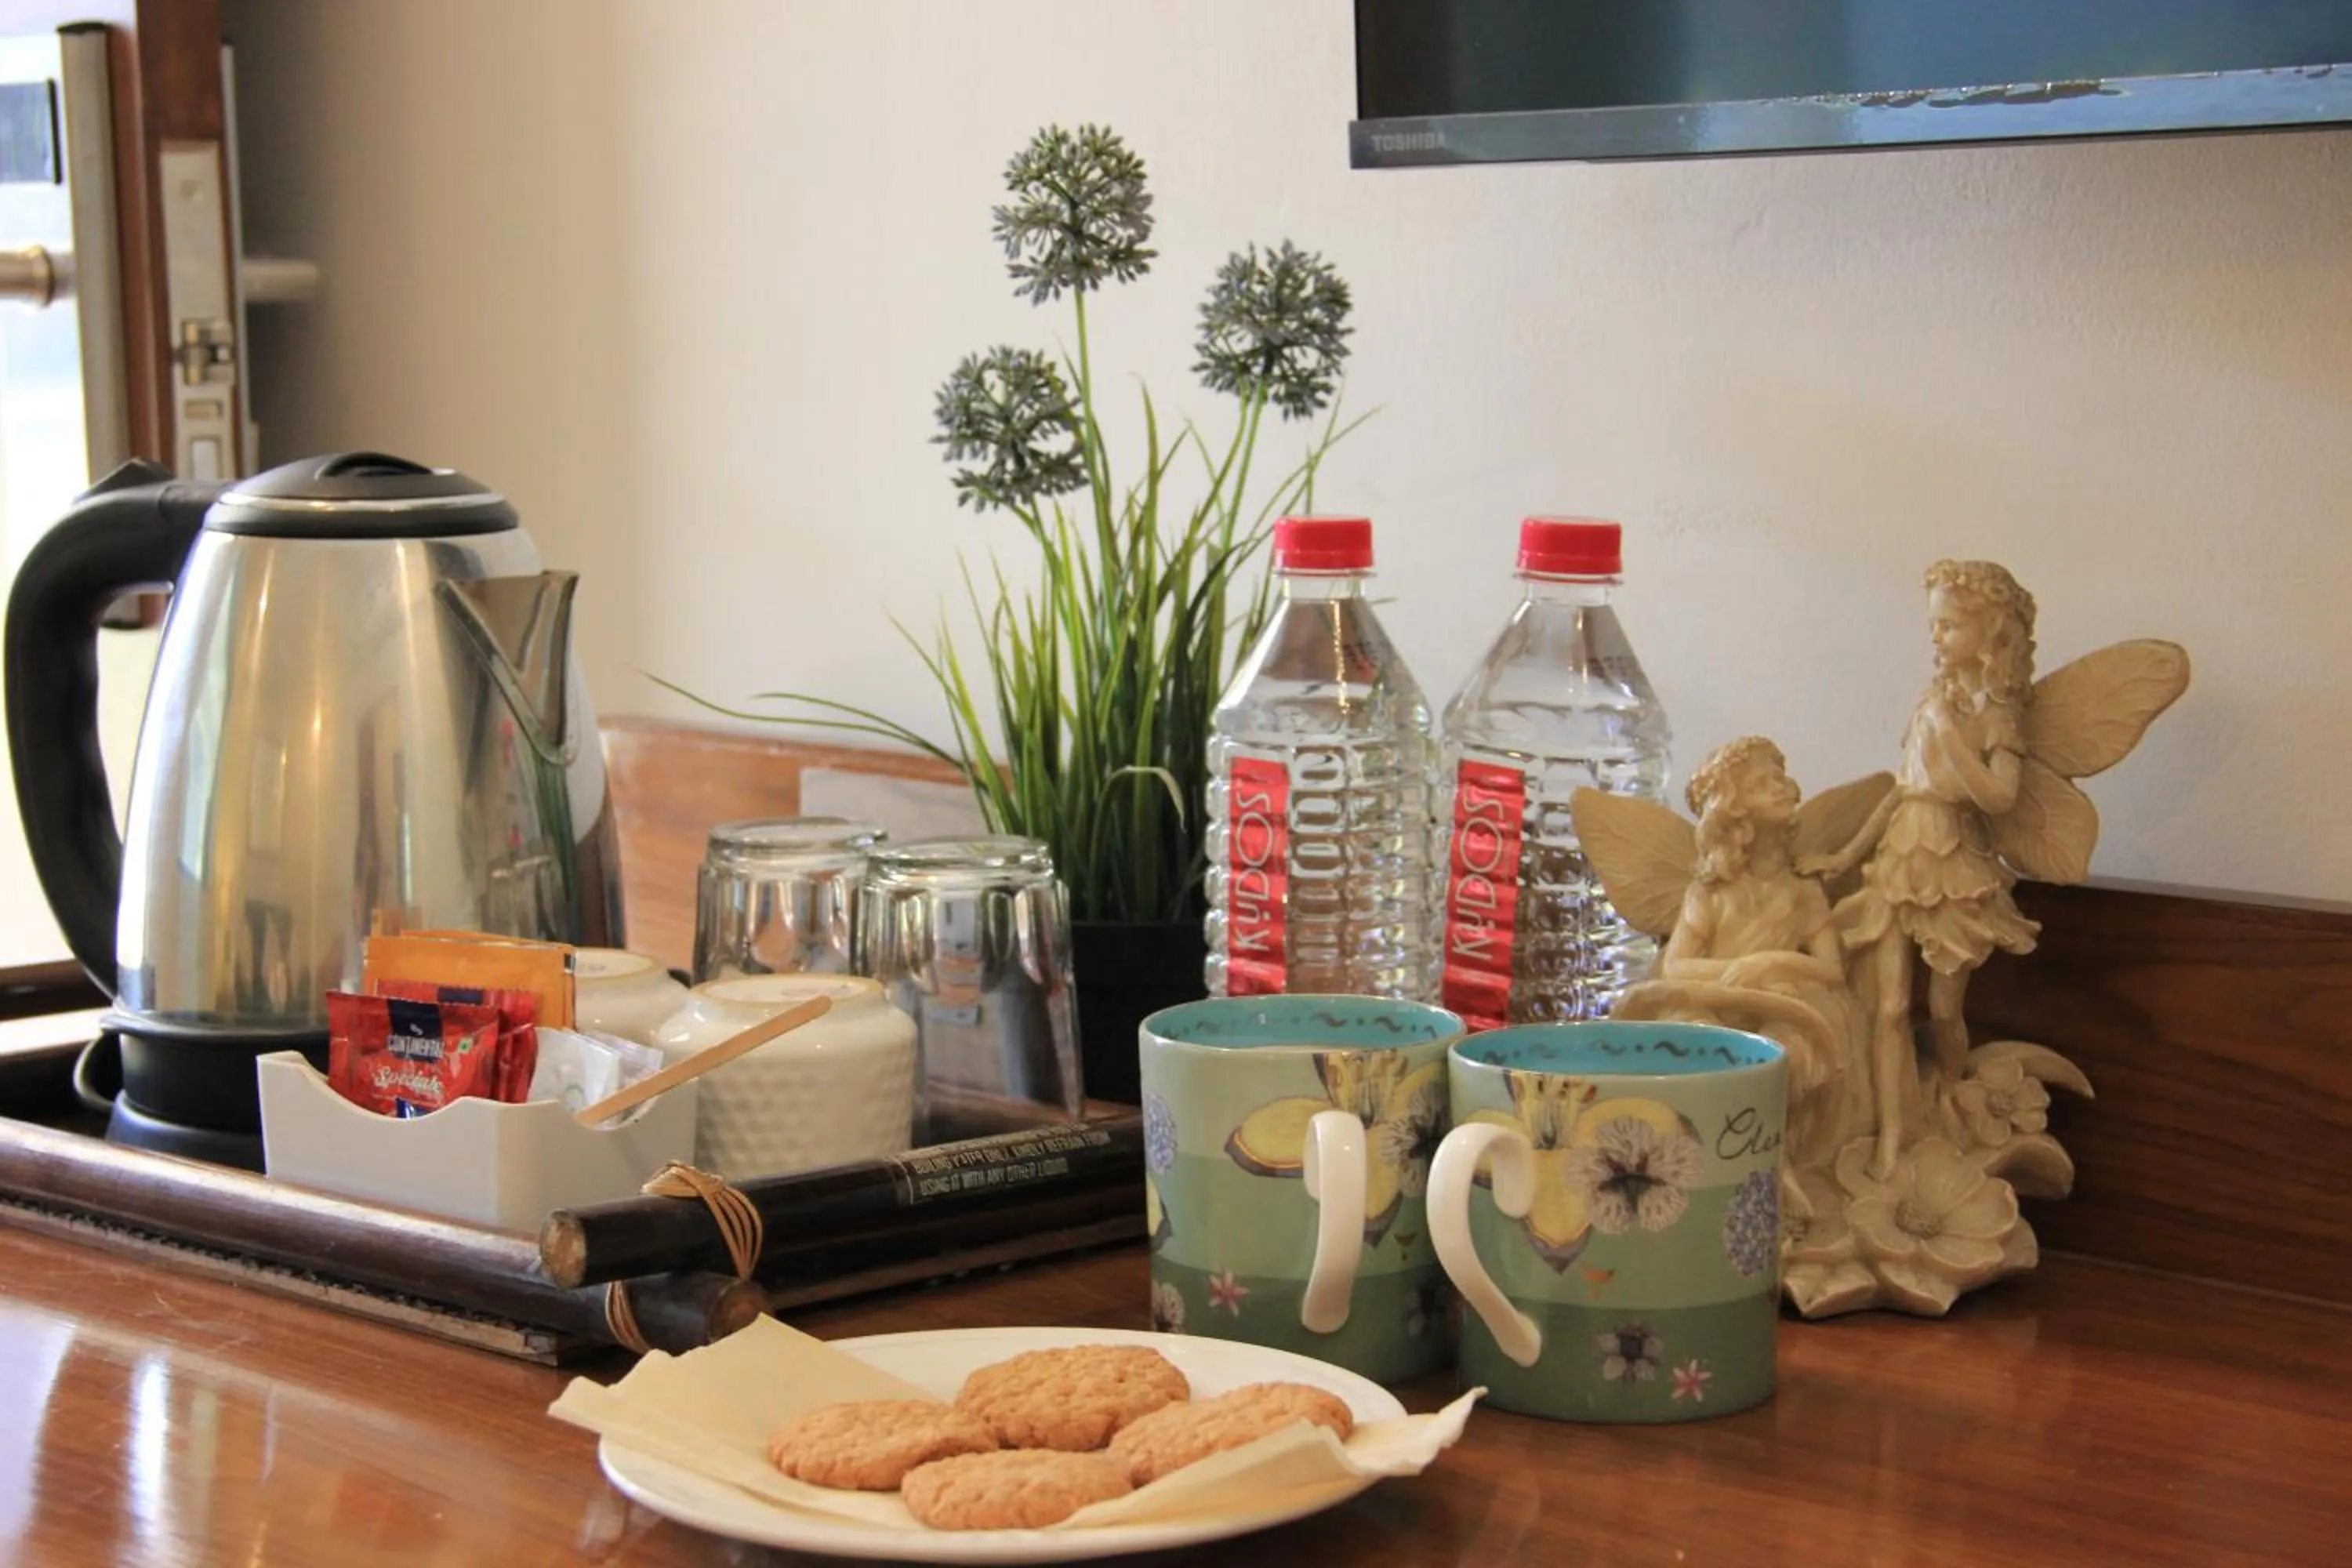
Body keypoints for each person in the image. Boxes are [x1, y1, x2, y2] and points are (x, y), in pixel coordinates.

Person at [1846, 560, 2041, 1173]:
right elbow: (1906, 789)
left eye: (1951, 626)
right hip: (1903, 854)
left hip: (1953, 864)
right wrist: (1848, 853)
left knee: (1945, 1010)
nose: (1937, 637)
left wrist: (1949, 736)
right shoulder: (1934, 700)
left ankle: (1953, 1102)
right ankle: (1893, 1129)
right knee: (1890, 1005)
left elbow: (2000, 797)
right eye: (1935, 625)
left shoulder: (1998, 716)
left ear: (1993, 635)